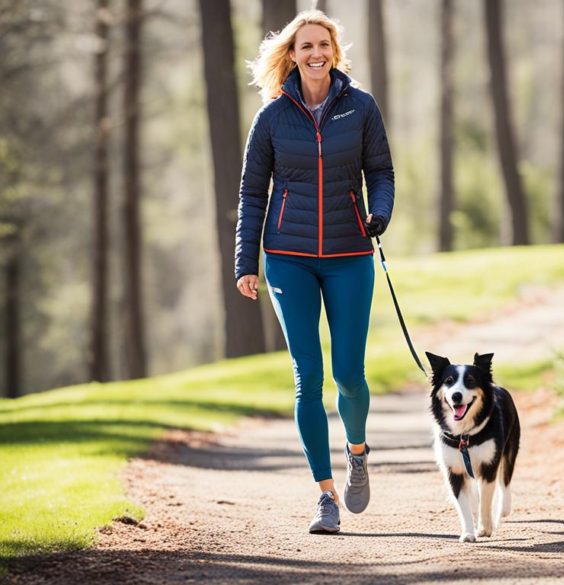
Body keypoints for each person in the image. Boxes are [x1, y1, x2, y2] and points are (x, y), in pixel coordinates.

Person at [233, 9, 393, 534]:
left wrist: (380, 212)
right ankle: (325, 496)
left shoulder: (360, 107)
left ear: (334, 50)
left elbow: (381, 171)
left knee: (348, 373)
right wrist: (246, 261)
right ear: (292, 54)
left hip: (350, 254)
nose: (315, 53)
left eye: (323, 44)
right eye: (306, 46)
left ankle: (358, 451)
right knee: (308, 377)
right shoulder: (273, 117)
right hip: (288, 258)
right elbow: (253, 193)